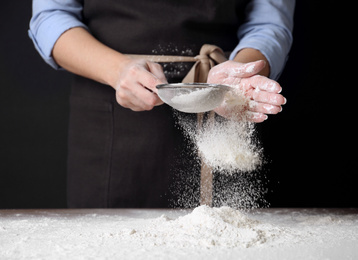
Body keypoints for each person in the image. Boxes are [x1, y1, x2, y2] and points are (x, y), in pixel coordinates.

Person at [29, 0, 294, 208]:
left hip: (223, 110)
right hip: (112, 129)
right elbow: (49, 15)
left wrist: (240, 73)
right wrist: (117, 70)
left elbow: (269, 22)